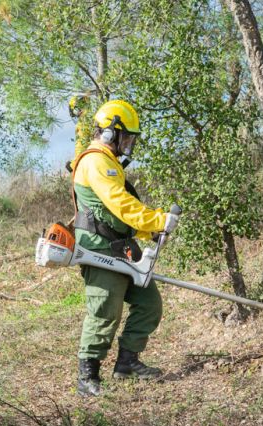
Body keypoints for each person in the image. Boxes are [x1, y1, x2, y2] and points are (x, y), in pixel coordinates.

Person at [69, 100, 179, 397]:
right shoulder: (96, 161)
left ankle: (127, 364)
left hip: (123, 247)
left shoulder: (109, 161)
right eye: (126, 136)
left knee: (149, 303)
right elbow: (120, 203)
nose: (129, 143)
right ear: (108, 133)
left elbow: (120, 213)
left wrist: (149, 229)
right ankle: (87, 376)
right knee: (105, 310)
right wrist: (158, 219)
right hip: (100, 248)